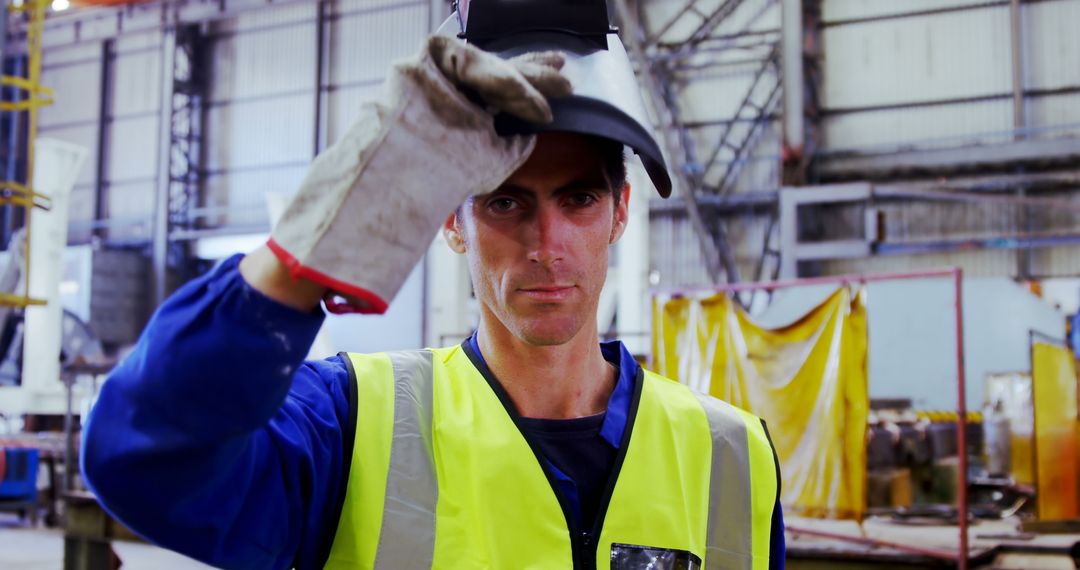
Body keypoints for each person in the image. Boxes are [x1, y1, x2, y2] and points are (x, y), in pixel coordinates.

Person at [81, 2, 785, 569]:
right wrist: (302, 255)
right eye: (505, 202)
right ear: (453, 222)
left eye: (579, 201)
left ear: (620, 212)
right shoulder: (352, 426)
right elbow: (143, 459)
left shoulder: (731, 456)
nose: (547, 245)